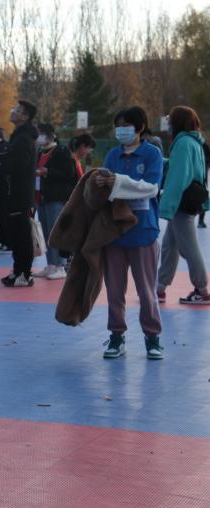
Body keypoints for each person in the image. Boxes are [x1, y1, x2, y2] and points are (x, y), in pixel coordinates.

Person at [100, 106, 164, 359]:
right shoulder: (112, 155)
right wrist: (100, 184)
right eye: (118, 126)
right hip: (114, 233)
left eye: (126, 125)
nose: (121, 130)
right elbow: (104, 189)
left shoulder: (152, 154)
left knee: (146, 290)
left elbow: (150, 188)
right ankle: (116, 336)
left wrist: (117, 183)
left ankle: (152, 337)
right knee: (114, 290)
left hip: (143, 232)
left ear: (140, 127)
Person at [156, 106, 210, 305]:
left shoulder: (183, 143)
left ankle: (202, 290)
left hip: (181, 202)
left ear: (177, 122)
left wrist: (167, 206)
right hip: (188, 200)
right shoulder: (194, 142)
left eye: (170, 119)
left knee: (189, 247)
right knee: (170, 246)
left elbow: (178, 177)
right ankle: (160, 287)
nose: (168, 123)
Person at [0, 100, 39, 287]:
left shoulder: (23, 139)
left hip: (20, 195)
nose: (13, 111)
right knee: (16, 235)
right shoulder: (20, 136)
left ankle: (25, 273)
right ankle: (18, 270)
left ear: (25, 116)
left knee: (22, 235)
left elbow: (18, 166)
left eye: (17, 110)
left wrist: (2, 159)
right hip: (16, 193)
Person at [31, 124, 77, 280]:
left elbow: (69, 173)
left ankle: (61, 266)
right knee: (45, 232)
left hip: (56, 197)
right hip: (41, 197)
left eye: (42, 133)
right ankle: (51, 264)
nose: (40, 137)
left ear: (52, 135)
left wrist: (47, 172)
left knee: (56, 231)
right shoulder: (40, 152)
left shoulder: (61, 151)